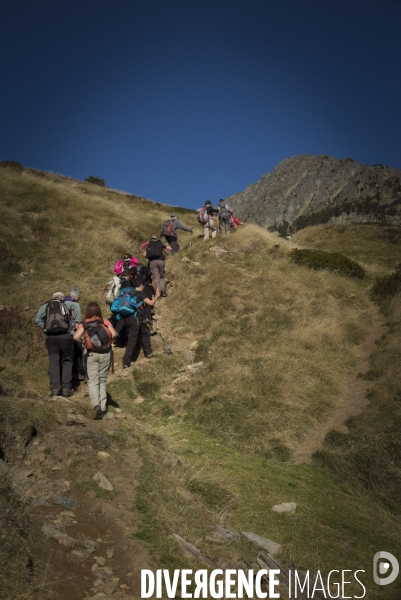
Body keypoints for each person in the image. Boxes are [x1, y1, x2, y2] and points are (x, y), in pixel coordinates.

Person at [73, 302, 117, 420]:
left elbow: (75, 337)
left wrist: (85, 343)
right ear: (98, 311)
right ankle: (103, 408)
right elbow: (114, 334)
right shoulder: (104, 322)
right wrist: (107, 342)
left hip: (91, 354)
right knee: (102, 381)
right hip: (105, 354)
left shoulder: (84, 324)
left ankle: (95, 405)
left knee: (92, 381)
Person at [34, 292, 82, 397]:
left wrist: (45, 328)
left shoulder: (46, 305)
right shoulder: (66, 303)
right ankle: (66, 388)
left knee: (53, 361)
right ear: (62, 298)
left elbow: (37, 319)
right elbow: (76, 305)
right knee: (67, 361)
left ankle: (55, 388)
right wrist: (78, 321)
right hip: (65, 336)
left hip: (51, 338)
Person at [117, 273, 161, 368]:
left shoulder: (130, 293)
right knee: (132, 340)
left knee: (145, 331)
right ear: (141, 285)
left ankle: (148, 352)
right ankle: (126, 362)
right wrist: (157, 295)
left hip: (127, 318)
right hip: (135, 319)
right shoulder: (140, 293)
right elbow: (150, 303)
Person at [64, 286, 85, 381]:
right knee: (78, 350)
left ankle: (70, 373)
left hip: (63, 331)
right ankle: (80, 372)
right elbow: (75, 318)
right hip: (72, 331)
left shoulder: (62, 302)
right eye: (78, 297)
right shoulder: (73, 303)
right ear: (74, 296)